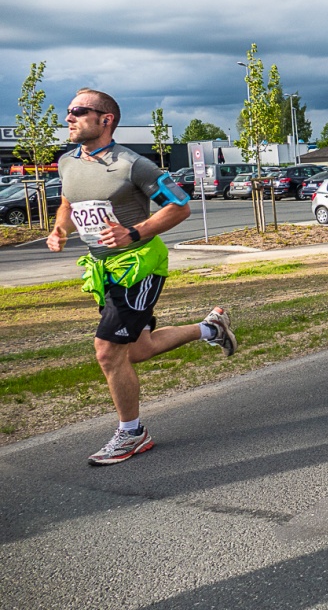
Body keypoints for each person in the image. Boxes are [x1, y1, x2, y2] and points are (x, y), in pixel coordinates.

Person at [47, 88, 237, 466]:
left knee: (107, 351)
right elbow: (68, 203)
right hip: (103, 269)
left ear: (106, 119)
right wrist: (60, 230)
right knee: (136, 349)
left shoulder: (133, 164)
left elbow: (180, 206)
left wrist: (133, 232)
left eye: (78, 111)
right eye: (68, 111)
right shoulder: (67, 162)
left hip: (139, 264)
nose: (68, 118)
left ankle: (132, 434)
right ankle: (211, 329)